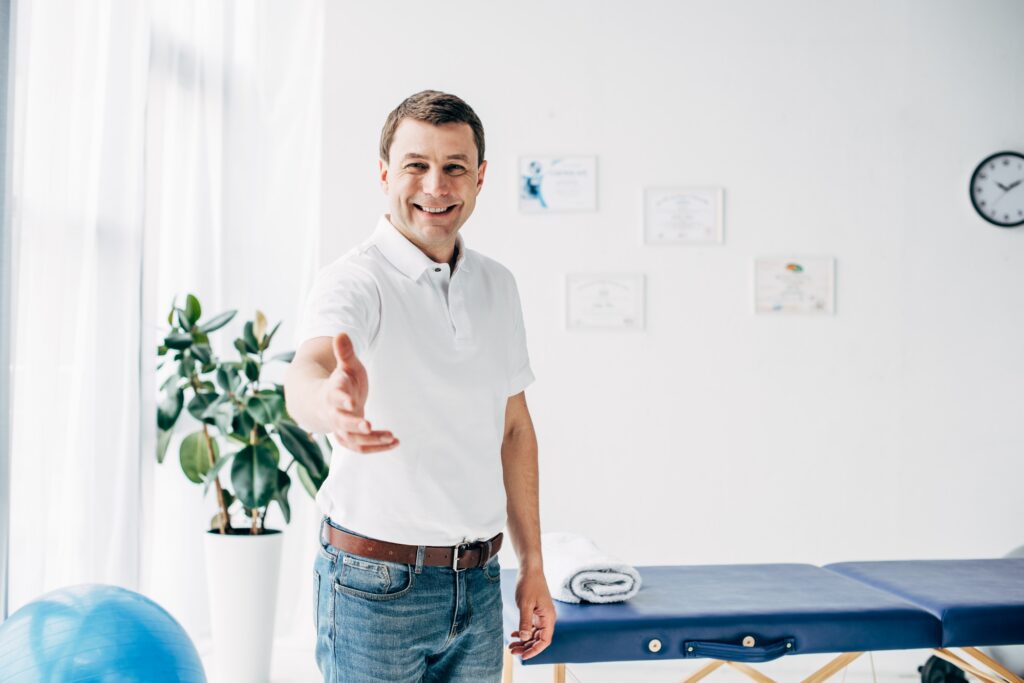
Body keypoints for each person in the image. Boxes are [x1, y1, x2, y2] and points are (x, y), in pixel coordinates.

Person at [284, 90, 556, 683]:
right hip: (373, 589)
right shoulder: (355, 280)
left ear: (479, 179)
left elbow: (513, 429)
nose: (436, 186)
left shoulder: (497, 285)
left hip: (479, 585)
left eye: (454, 167)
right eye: (416, 166)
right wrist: (329, 405)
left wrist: (533, 563)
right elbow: (306, 372)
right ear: (385, 174)